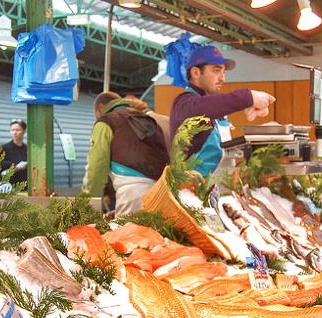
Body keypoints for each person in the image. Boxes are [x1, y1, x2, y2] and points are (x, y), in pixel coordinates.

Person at [169, 45, 276, 177]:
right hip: (192, 190)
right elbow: (203, 107)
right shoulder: (184, 103)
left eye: (223, 72)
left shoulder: (214, 108)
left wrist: (259, 136)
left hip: (219, 188)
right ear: (196, 73)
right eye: (216, 71)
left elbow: (223, 149)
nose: (222, 78)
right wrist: (249, 97)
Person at [83, 92, 170, 216]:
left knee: (130, 235)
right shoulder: (146, 119)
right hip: (162, 193)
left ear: (102, 107)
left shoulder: (106, 122)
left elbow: (96, 168)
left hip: (132, 192)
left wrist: (86, 203)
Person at [0, 119, 28, 189]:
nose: (15, 133)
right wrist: (10, 164)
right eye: (12, 130)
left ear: (24, 132)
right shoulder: (4, 148)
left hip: (24, 187)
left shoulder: (27, 149)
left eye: (18, 130)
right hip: (8, 187)